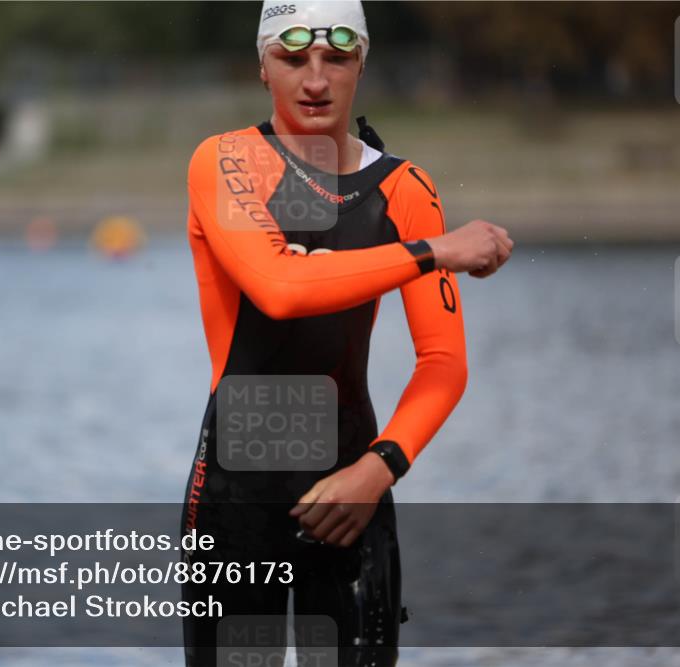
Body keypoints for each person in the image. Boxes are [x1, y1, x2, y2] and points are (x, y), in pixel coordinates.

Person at [179, 2, 512, 665]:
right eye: (293, 58)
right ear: (262, 68)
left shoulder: (406, 189)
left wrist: (377, 469)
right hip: (235, 499)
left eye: (335, 59)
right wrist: (432, 251)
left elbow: (443, 362)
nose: (314, 80)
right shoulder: (226, 160)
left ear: (361, 64)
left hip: (355, 488)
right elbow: (278, 290)